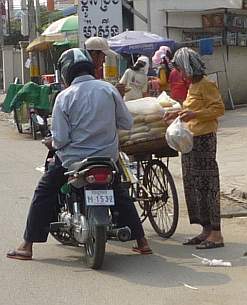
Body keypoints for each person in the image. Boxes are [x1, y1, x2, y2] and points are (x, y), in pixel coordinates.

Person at [7, 48, 152, 260]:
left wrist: (52, 142)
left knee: (44, 191)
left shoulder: (64, 97)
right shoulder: (108, 90)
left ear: (65, 72)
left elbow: (61, 139)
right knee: (120, 193)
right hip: (107, 158)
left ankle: (27, 245)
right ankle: (142, 242)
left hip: (72, 161)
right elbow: (127, 123)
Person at [164, 47, 225, 249]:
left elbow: (218, 109)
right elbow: (191, 108)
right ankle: (205, 230)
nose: (180, 74)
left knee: (208, 185)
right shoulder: (192, 86)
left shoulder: (206, 84)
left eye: (181, 69)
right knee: (194, 186)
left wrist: (194, 115)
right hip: (191, 140)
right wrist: (177, 113)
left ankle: (216, 234)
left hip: (204, 140)